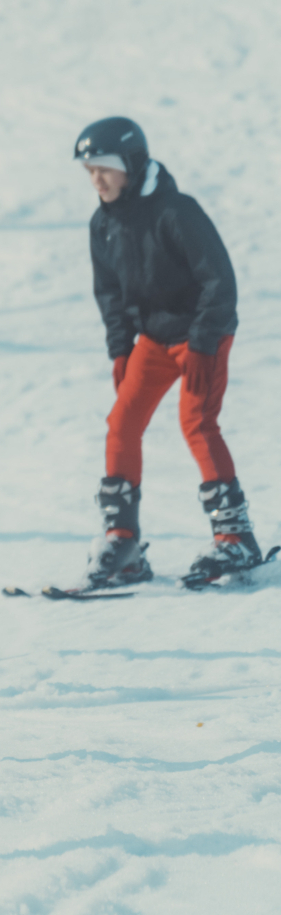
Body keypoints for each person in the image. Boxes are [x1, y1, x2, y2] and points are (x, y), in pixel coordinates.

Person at [75, 116, 264, 588]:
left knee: (197, 423)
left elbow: (219, 281)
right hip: (154, 341)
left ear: (131, 166)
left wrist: (203, 344)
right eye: (89, 171)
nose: (96, 180)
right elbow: (111, 296)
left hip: (202, 335)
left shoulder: (176, 211)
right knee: (122, 424)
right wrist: (121, 350)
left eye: (105, 168)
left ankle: (235, 539)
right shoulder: (103, 225)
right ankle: (124, 542)